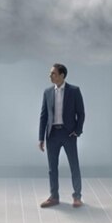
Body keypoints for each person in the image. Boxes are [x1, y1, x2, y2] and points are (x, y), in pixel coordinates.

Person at [38, 63, 85, 208]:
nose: (50, 76)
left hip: (68, 134)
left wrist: (77, 131)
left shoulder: (74, 91)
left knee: (74, 165)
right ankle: (54, 197)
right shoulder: (47, 92)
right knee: (52, 168)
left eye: (53, 73)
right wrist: (41, 137)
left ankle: (77, 197)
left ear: (62, 75)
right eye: (50, 73)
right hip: (52, 134)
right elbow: (43, 116)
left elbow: (81, 113)